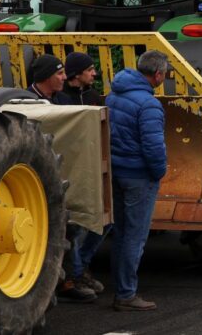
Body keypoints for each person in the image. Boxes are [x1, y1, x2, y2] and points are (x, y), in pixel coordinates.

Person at [106, 50, 169, 311]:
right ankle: (126, 293)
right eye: (164, 74)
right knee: (135, 236)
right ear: (157, 74)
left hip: (116, 172)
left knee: (120, 233)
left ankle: (119, 287)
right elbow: (154, 147)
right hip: (139, 177)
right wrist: (159, 172)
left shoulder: (114, 95)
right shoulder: (149, 104)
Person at [55, 52, 107, 304]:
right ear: (77, 74)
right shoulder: (60, 101)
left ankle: (81, 268)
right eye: (90, 69)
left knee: (103, 219)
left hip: (93, 166)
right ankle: (73, 276)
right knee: (73, 225)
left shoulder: (95, 97)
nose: (95, 74)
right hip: (70, 168)